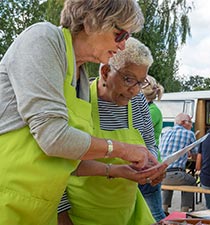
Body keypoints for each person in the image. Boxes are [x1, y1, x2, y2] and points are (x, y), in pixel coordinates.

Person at [0, 1, 154, 224]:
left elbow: (68, 161)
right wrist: (122, 149)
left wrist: (118, 170)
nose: (122, 46)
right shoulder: (43, 39)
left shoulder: (79, 76)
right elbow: (53, 138)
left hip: (38, 210)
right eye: (120, 35)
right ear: (93, 22)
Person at [58, 37, 168, 225]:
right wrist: (62, 215)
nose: (134, 91)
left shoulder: (139, 102)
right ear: (106, 71)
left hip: (128, 213)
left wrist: (152, 165)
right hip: (81, 215)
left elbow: (150, 142)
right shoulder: (79, 98)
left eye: (141, 82)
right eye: (128, 79)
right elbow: (58, 164)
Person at [139, 75, 166, 221]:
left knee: (155, 213)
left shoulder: (152, 111)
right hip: (146, 163)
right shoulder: (152, 109)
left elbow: (137, 133)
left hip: (150, 165)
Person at [160, 113, 198, 213]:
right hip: (176, 174)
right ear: (182, 122)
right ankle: (184, 210)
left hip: (161, 175)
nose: (192, 125)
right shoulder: (189, 134)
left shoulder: (166, 132)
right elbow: (195, 155)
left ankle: (164, 209)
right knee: (191, 181)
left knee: (169, 178)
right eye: (190, 122)